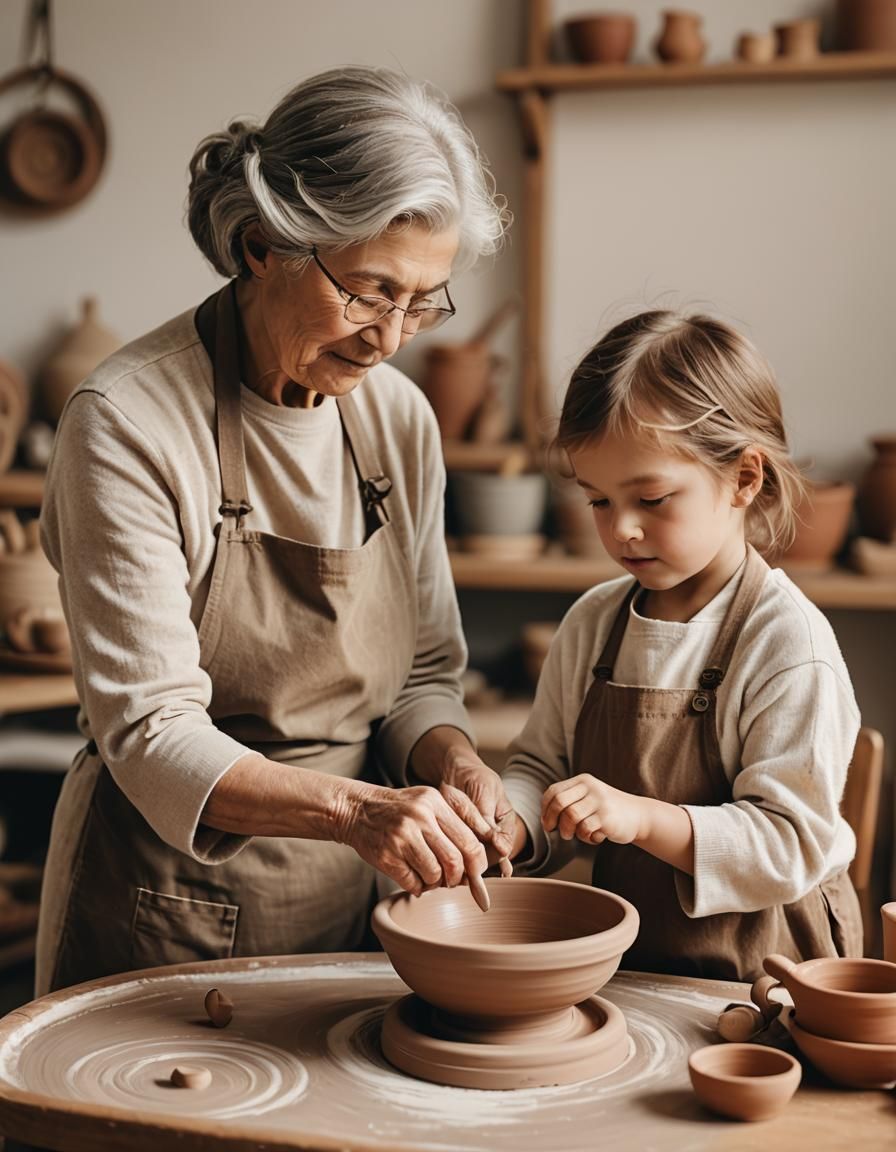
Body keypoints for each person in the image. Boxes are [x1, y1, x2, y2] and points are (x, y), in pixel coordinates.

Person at [35, 66, 515, 995]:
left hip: (359, 891)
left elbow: (422, 673)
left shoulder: (399, 420)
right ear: (263, 245)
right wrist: (360, 811)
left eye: (424, 300)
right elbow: (150, 726)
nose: (391, 338)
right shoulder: (128, 421)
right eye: (371, 291)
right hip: (169, 897)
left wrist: (452, 761)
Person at [500, 310, 863, 982]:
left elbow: (788, 847)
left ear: (744, 479)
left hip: (771, 973)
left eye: (653, 498)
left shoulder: (787, 642)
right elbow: (540, 768)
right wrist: (512, 824)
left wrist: (639, 819)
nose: (623, 530)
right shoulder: (592, 624)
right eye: (599, 501)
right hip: (635, 966)